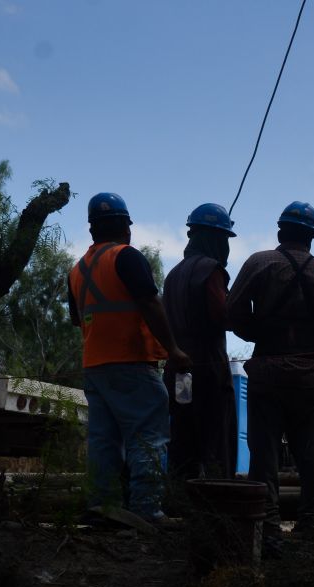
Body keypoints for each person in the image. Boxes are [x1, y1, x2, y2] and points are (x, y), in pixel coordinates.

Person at [67, 191, 189, 523]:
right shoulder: (127, 256)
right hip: (132, 362)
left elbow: (78, 318)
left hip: (95, 366)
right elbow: (150, 303)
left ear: (92, 229)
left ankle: (102, 508)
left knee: (104, 441)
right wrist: (174, 350)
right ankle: (148, 510)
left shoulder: (77, 270)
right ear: (125, 226)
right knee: (148, 435)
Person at [226, 200, 314, 552]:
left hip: (268, 371)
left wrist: (257, 332)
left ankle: (268, 526)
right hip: (310, 375)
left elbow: (232, 312)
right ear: (313, 237)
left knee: (264, 453)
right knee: (311, 453)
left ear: (280, 230)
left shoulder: (260, 263)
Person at [162, 202, 238, 483]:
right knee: (216, 440)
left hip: (177, 371)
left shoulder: (173, 275)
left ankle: (180, 501)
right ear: (217, 239)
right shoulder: (211, 270)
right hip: (208, 370)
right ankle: (218, 507)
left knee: (183, 439)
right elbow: (223, 316)